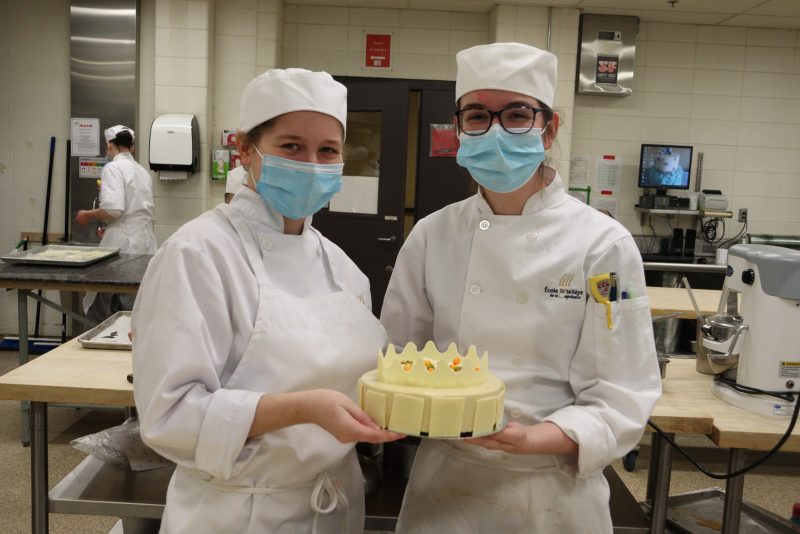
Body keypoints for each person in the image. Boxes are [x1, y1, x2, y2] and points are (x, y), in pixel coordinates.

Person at [380, 43, 663, 533]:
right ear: (459, 128)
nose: (493, 130)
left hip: (552, 488)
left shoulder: (603, 244)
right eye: (476, 116)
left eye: (515, 115)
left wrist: (533, 440)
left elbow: (623, 393)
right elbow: (398, 357)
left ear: (549, 128)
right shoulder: (432, 235)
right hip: (444, 484)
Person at [131, 68, 401, 534]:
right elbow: (168, 416)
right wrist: (303, 409)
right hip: (239, 514)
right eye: (292, 146)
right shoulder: (197, 254)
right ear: (244, 150)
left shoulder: (341, 267)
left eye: (328, 151)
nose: (312, 164)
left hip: (336, 505)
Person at [75, 125, 157, 323]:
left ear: (109, 145)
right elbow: (131, 212)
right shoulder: (142, 171)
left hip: (125, 246)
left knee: (111, 303)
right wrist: (114, 230)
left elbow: (114, 210)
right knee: (137, 301)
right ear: (133, 147)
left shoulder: (113, 168)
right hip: (145, 242)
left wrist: (88, 214)